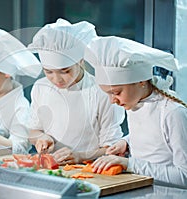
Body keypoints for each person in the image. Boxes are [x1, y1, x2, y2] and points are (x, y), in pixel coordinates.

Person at [85, 36, 187, 188]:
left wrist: (129, 164)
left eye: (116, 92)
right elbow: (154, 137)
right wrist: (126, 142)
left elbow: (184, 177)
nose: (112, 100)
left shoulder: (173, 113)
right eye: (108, 93)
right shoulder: (134, 101)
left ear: (141, 81)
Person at [27, 18, 125, 164]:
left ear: (80, 61)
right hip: (52, 168)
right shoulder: (40, 87)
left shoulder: (102, 92)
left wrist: (81, 156)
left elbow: (112, 147)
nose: (57, 79)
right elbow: (32, 130)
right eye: (48, 72)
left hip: (91, 169)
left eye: (65, 71)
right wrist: (41, 138)